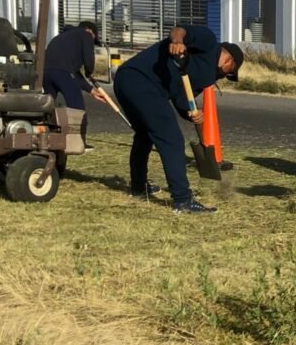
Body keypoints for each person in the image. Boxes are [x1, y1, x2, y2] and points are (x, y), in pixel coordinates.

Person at [113, 24, 244, 213]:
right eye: (231, 71)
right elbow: (179, 30)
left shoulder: (206, 78)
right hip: (139, 78)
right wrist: (177, 41)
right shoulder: (209, 43)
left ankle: (138, 187)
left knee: (145, 135)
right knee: (172, 139)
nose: (227, 75)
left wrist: (193, 114)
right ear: (230, 60)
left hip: (132, 83)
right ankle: (183, 200)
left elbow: (182, 99)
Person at [44, 20, 108, 149]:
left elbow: (73, 72)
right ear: (90, 31)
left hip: (46, 73)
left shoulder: (61, 38)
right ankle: (79, 141)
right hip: (63, 73)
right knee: (77, 107)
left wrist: (91, 90)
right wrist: (89, 72)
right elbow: (88, 61)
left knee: (47, 106)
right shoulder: (86, 34)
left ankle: (47, 137)